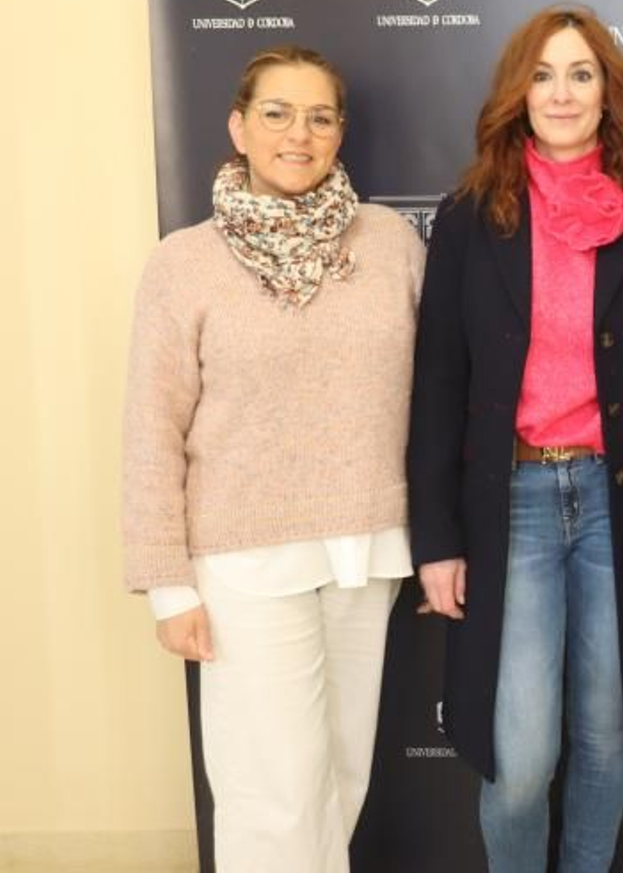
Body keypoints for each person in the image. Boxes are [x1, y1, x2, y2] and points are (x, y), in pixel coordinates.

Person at [406, 5, 623, 873]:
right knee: (521, 756)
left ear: (610, 93)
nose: (563, 92)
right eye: (543, 73)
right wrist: (437, 541)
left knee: (610, 739)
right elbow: (438, 387)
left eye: (582, 73)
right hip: (515, 503)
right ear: (517, 92)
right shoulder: (470, 216)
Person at [121, 45, 424, 871]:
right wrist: (168, 586)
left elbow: (436, 395)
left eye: (320, 116)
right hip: (241, 561)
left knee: (339, 778)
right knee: (273, 794)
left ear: (340, 132)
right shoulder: (183, 262)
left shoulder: (393, 243)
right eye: (277, 114)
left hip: (365, 547)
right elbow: (152, 428)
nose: (300, 133)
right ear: (238, 127)